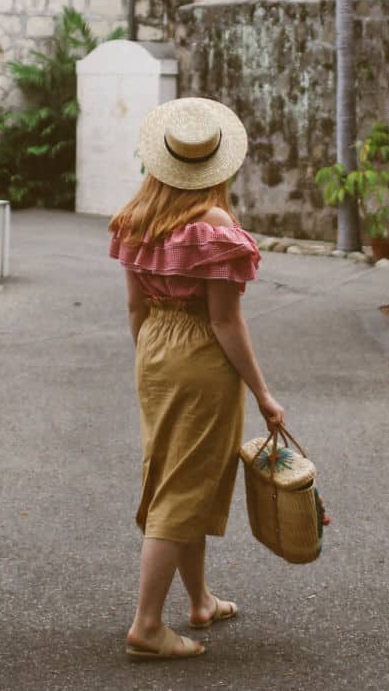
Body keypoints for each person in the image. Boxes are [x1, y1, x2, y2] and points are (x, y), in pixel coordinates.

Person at [109, 96, 285, 661]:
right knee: (185, 484)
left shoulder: (138, 218)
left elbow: (135, 309)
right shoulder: (213, 225)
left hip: (154, 351)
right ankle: (147, 624)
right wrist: (264, 394)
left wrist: (153, 363)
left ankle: (200, 601)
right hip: (199, 354)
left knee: (175, 471)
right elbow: (224, 321)